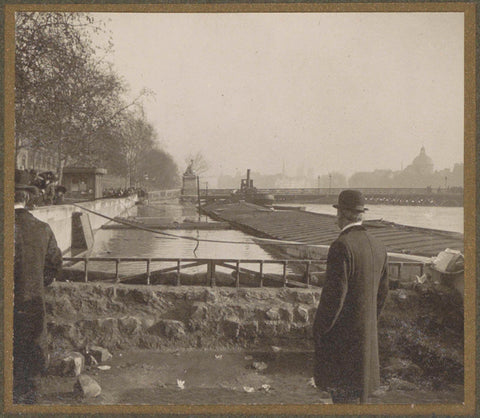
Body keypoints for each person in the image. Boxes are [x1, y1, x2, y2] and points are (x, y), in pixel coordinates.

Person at [313, 190, 389, 404]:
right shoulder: (379, 246)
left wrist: (319, 330)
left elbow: (334, 298)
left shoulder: (341, 246)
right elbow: (383, 294)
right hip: (367, 342)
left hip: (343, 344)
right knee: (361, 401)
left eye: (337, 212)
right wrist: (369, 322)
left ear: (342, 215)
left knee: (343, 401)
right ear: (360, 214)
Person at [13, 175, 63, 404]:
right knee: (31, 345)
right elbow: (54, 263)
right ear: (28, 199)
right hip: (31, 299)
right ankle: (28, 393)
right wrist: (37, 283)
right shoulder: (42, 229)